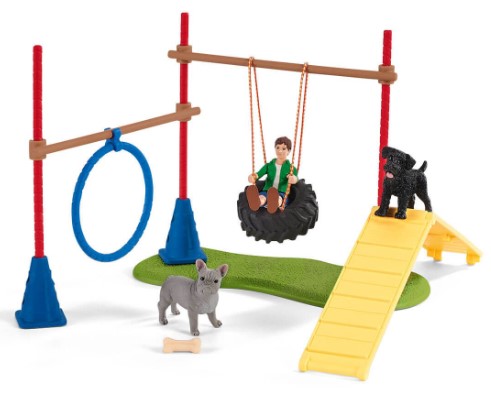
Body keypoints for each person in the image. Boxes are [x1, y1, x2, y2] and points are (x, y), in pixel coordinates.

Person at [246, 136, 298, 214]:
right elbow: (258, 174)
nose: (280, 151)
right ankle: (257, 203)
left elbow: (295, 178)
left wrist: (293, 179)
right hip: (267, 190)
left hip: (282, 192)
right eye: (277, 148)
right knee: (262, 197)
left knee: (279, 199)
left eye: (283, 149)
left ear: (289, 151)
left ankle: (273, 204)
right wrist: (253, 177)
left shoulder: (291, 168)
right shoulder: (269, 165)